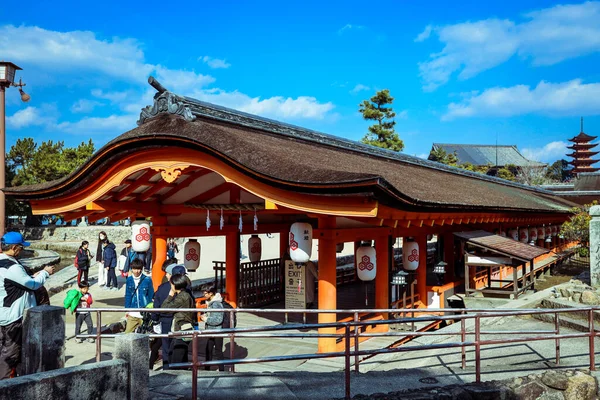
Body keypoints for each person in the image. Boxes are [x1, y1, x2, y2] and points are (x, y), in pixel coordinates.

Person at [0, 232, 54, 379]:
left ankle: (15, 382)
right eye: (21, 247)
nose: (22, 250)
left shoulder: (3, 262)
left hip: (3, 314)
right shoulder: (12, 266)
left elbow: (15, 283)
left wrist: (30, 276)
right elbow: (32, 285)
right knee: (10, 354)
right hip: (13, 318)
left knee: (6, 351)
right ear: (14, 247)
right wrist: (45, 273)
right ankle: (5, 387)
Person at [151, 261, 185, 370]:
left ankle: (166, 369)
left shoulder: (162, 288)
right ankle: (180, 369)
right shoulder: (186, 289)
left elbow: (156, 305)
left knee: (166, 347)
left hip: (165, 320)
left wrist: (155, 319)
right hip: (181, 321)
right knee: (180, 346)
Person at [162, 273, 196, 364]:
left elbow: (164, 309)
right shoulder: (185, 295)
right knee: (178, 357)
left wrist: (170, 295)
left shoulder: (182, 297)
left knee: (176, 360)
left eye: (171, 283)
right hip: (180, 330)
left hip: (181, 330)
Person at [124, 259, 154, 333]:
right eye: (135, 269)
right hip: (132, 312)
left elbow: (151, 295)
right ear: (132, 269)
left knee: (145, 335)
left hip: (144, 313)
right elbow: (128, 295)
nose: (137, 271)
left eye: (139, 269)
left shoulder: (147, 280)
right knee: (127, 334)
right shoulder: (129, 280)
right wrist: (127, 309)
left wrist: (150, 309)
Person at [201, 287, 225, 371]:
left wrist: (206, 319)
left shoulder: (216, 304)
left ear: (211, 293)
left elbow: (218, 319)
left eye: (205, 293)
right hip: (213, 330)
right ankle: (210, 368)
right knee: (211, 350)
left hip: (216, 330)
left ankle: (219, 370)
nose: (203, 295)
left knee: (216, 351)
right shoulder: (212, 302)